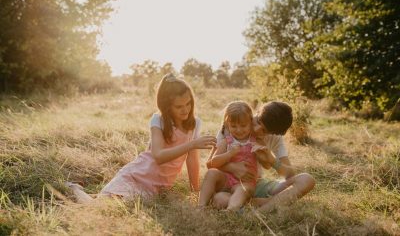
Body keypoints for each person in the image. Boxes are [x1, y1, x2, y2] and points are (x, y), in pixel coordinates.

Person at [66, 73, 216, 203]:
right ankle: (73, 187)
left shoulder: (195, 124)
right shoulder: (159, 120)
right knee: (99, 207)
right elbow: (158, 156)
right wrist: (192, 144)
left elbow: (192, 160)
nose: (186, 109)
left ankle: (89, 192)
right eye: (179, 106)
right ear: (167, 106)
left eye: (188, 103)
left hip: (157, 185)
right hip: (137, 175)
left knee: (120, 205)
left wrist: (195, 192)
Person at [211, 101, 315, 212]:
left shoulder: (275, 139)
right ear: (257, 111)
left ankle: (260, 210)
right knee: (219, 199)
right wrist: (233, 168)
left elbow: (289, 175)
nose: (256, 130)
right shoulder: (235, 124)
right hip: (231, 186)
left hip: (256, 184)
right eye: (258, 121)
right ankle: (268, 203)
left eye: (264, 131)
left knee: (306, 179)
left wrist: (272, 160)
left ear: (273, 133)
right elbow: (211, 163)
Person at [199, 101, 258, 211]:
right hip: (226, 180)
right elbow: (212, 163)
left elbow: (267, 162)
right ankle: (201, 206)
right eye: (233, 126)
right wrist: (230, 153)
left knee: (240, 191)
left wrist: (264, 153)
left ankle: (231, 209)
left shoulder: (255, 142)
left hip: (245, 182)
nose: (239, 130)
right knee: (211, 173)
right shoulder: (227, 141)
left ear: (251, 122)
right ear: (227, 125)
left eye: (243, 125)